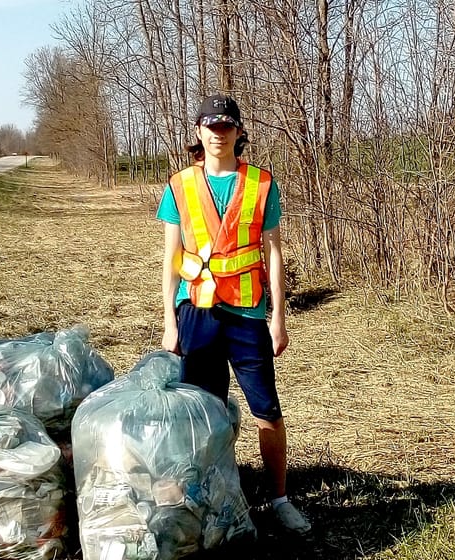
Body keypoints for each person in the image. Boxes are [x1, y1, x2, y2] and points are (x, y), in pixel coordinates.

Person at [158, 94, 311, 535]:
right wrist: (169, 320)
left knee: (267, 409)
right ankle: (208, 500)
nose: (218, 134)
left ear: (239, 133)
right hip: (197, 312)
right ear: (198, 133)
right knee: (203, 412)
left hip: (247, 315)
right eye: (210, 126)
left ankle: (279, 499)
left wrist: (278, 316)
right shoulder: (179, 186)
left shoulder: (262, 184)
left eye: (227, 127)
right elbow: (170, 257)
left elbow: (275, 254)